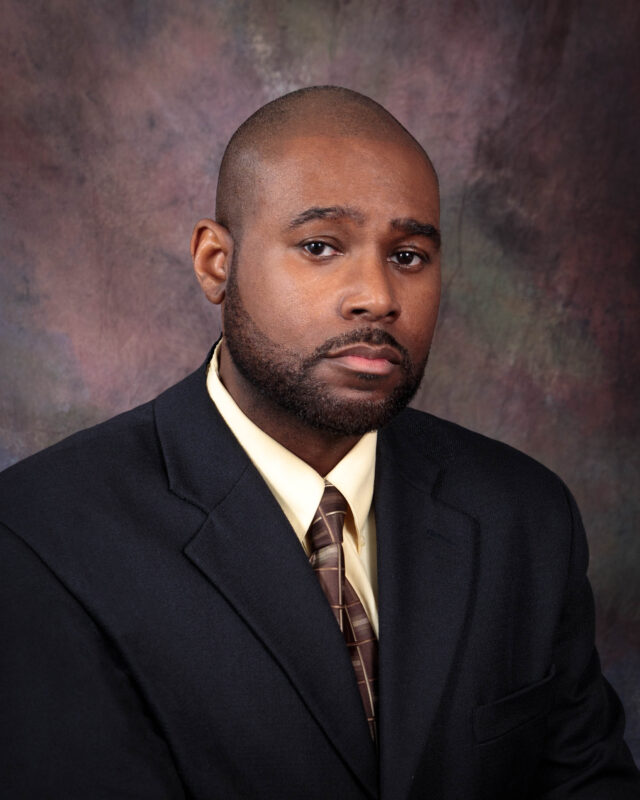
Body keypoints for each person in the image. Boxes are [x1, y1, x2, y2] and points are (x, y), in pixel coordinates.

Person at [0, 86, 638, 800]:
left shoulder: (523, 515)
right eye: (319, 246)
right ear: (216, 262)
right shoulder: (41, 536)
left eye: (408, 255)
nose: (377, 296)